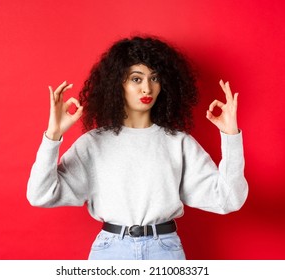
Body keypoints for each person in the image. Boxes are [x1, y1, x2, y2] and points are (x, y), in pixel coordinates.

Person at [27, 36, 248, 260]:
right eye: (136, 79)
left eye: (154, 78)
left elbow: (229, 199)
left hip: (165, 251)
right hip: (111, 251)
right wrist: (52, 136)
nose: (147, 89)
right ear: (117, 83)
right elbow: (40, 195)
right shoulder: (93, 144)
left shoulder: (178, 143)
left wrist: (231, 137)